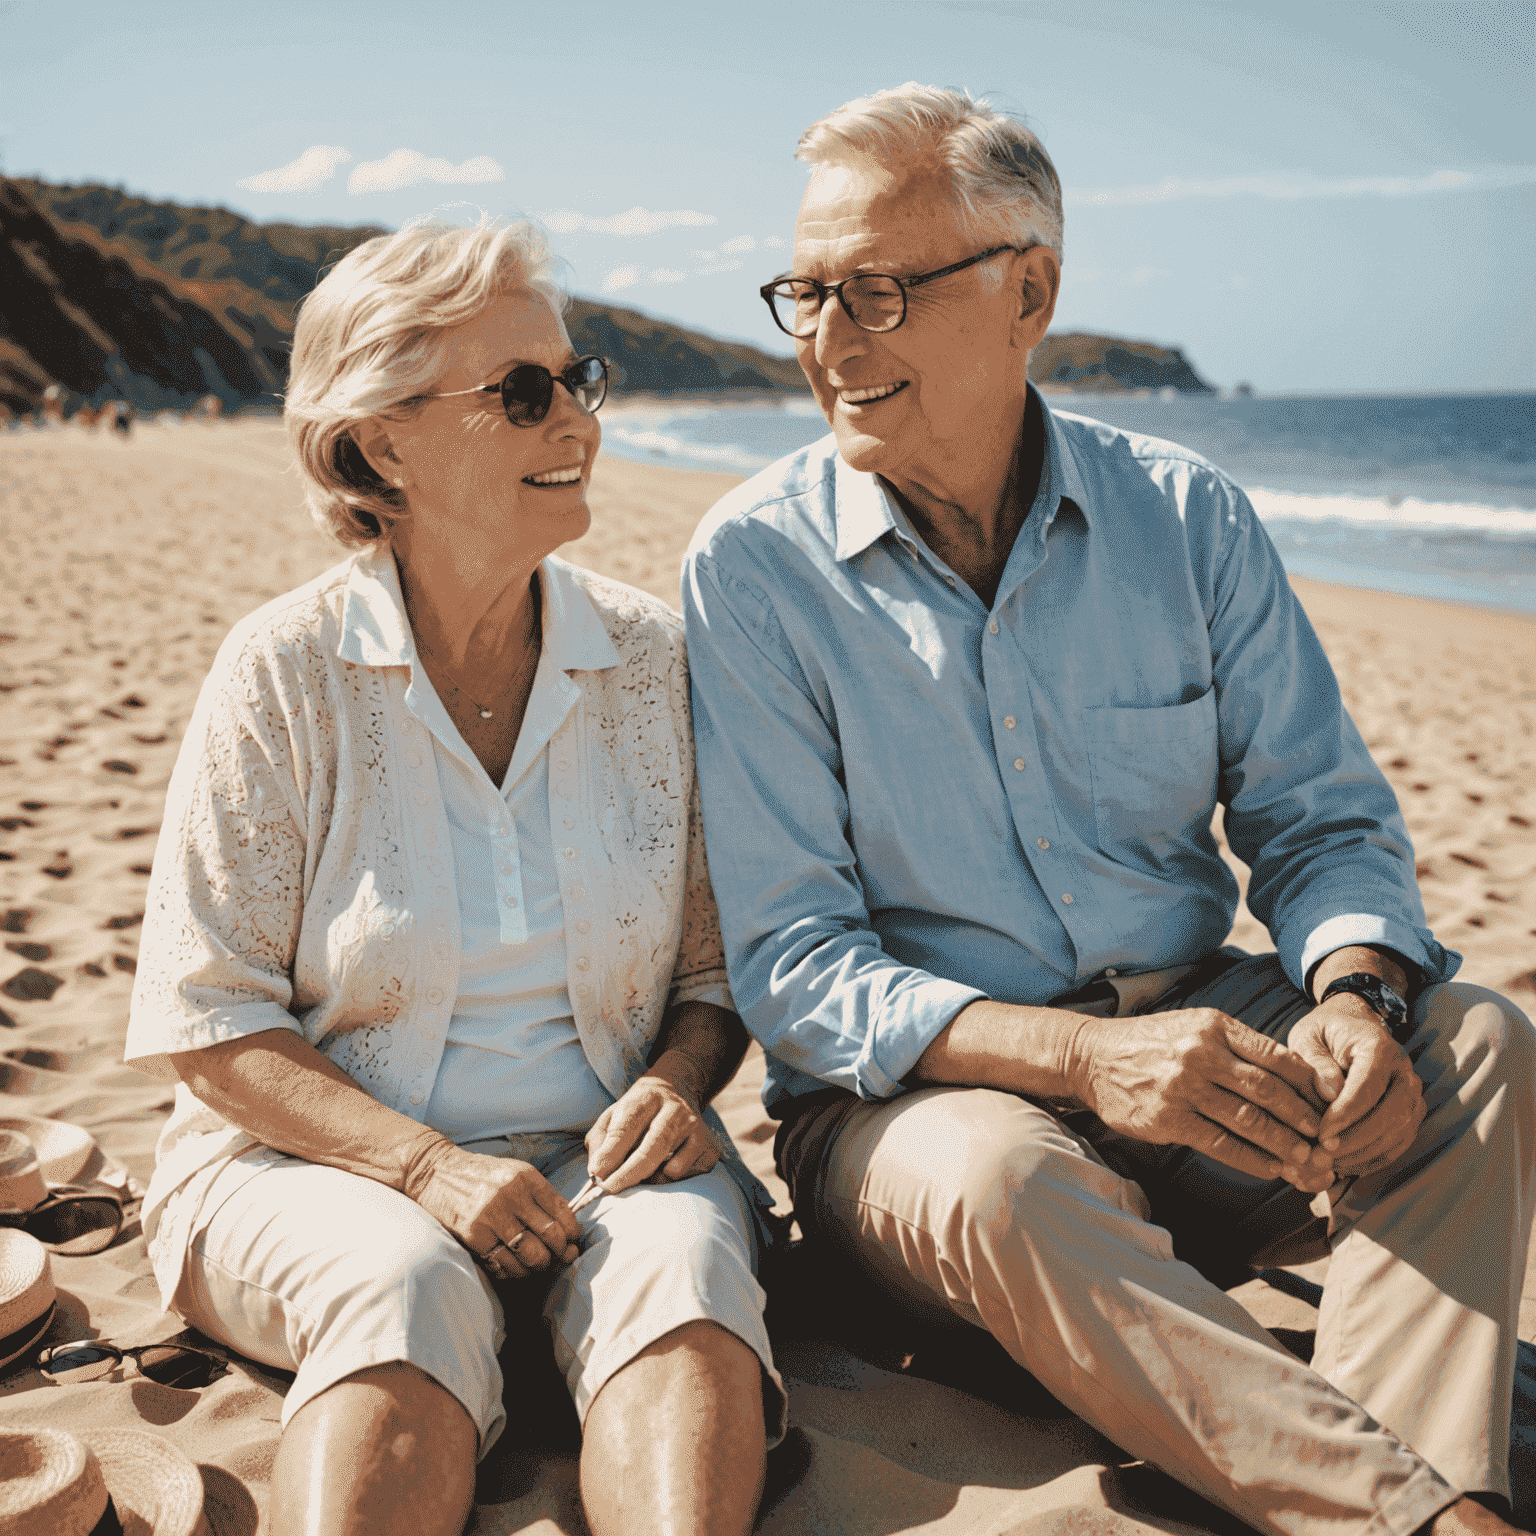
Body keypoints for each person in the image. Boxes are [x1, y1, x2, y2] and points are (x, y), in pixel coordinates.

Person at [681, 83, 1533, 1536]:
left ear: (1030, 294)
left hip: (1214, 1058)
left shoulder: (1188, 515)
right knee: (1011, 1184)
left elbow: (1320, 819)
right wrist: (1085, 1059)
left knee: (1474, 1045)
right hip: (927, 1117)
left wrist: (1355, 992)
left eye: (877, 291)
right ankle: (1426, 1519)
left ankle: (1384, 1477)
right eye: (806, 295)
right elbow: (796, 968)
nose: (829, 342)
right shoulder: (753, 570)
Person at [124, 219, 785, 1536]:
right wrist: (426, 1171)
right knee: (399, 1282)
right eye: (521, 395)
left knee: (689, 1271)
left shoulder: (653, 660)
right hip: (312, 1176)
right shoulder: (284, 671)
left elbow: (715, 978)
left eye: (575, 379)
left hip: (604, 1172)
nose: (577, 422)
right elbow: (208, 1023)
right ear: (378, 445)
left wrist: (676, 1080)